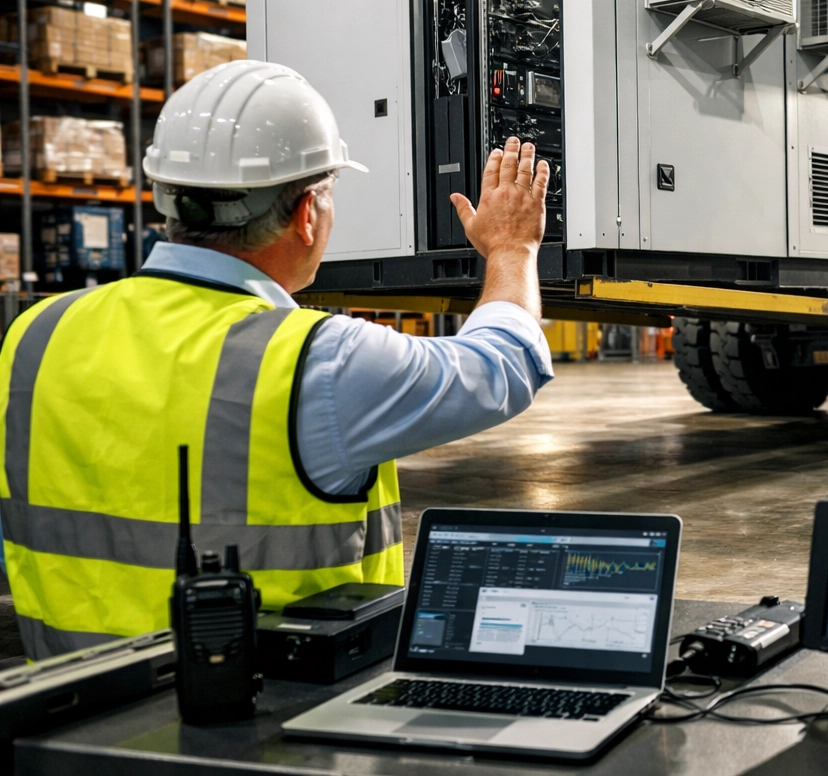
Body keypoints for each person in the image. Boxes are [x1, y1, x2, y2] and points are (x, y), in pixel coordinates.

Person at [0, 60, 555, 660]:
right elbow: (505, 362)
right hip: (267, 727)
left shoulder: (34, 335)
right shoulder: (318, 360)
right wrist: (512, 247)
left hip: (63, 719)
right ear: (306, 214)